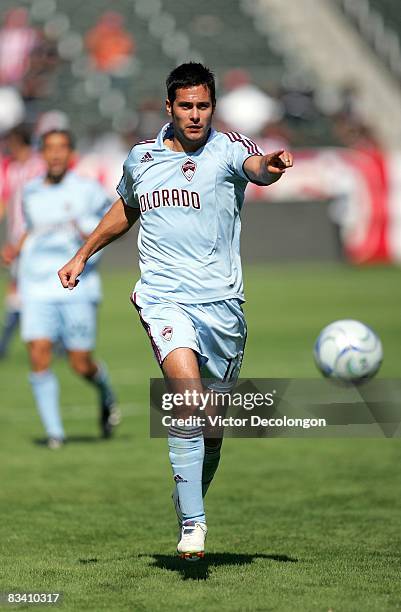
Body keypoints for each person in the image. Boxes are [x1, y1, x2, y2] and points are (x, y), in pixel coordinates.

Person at [58, 63, 293, 557]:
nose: (194, 115)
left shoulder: (230, 148)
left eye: (203, 105)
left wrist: (270, 166)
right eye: (185, 106)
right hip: (164, 298)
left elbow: (258, 169)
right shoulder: (142, 158)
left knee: (211, 430)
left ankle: (187, 493)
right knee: (185, 396)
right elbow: (125, 208)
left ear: (213, 106)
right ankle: (193, 523)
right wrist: (82, 254)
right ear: (169, 107)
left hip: (223, 306)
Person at [7, 129, 118, 448]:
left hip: (76, 286)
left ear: (71, 154)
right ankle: (55, 434)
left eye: (61, 148)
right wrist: (15, 249)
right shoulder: (30, 192)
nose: (55, 154)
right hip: (37, 285)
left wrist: (84, 238)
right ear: (42, 154)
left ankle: (105, 390)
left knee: (79, 362)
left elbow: (113, 225)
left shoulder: (88, 190)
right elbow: (30, 229)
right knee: (38, 354)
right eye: (49, 149)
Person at [0, 124, 45, 358]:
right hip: (17, 239)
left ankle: (5, 343)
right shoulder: (12, 168)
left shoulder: (39, 166)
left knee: (29, 290)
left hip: (36, 240)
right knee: (19, 289)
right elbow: (5, 202)